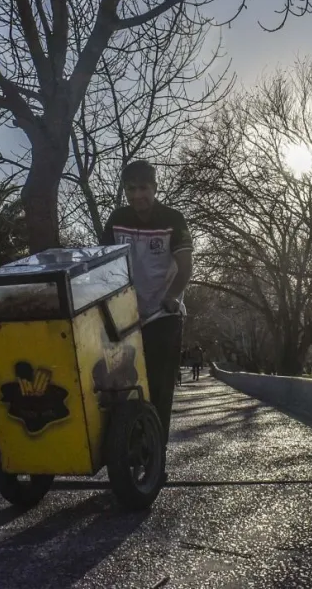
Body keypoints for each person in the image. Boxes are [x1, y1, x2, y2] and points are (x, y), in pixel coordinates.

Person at [99, 159, 193, 454]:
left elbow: (185, 267)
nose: (137, 195)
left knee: (158, 386)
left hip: (163, 313)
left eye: (143, 188)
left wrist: (174, 297)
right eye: (131, 189)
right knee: (121, 384)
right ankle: (126, 445)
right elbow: (103, 261)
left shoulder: (173, 219)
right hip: (125, 314)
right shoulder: (117, 218)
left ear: (154, 187)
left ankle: (155, 454)